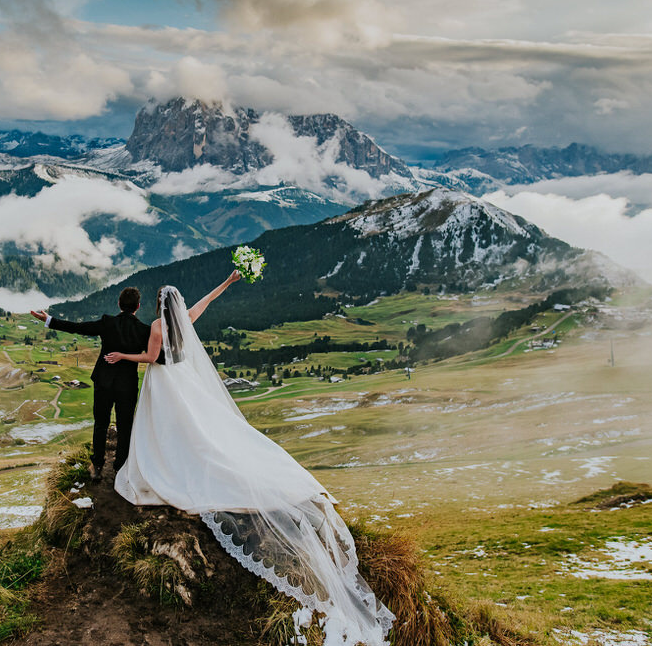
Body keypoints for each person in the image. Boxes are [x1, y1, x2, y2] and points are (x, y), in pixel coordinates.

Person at [105, 272, 394, 646]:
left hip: (164, 383)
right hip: (185, 383)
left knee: (165, 431)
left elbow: (151, 357)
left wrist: (121, 355)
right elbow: (204, 303)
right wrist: (228, 281)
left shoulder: (160, 325)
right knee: (199, 431)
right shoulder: (183, 321)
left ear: (159, 304)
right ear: (176, 303)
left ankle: (166, 464)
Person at [30, 287, 150, 482]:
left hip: (103, 381)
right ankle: (121, 467)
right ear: (138, 306)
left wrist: (49, 320)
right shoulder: (144, 330)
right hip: (127, 385)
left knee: (101, 424)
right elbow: (154, 355)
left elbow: (79, 328)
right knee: (125, 426)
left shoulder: (107, 323)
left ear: (119, 304)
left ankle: (97, 465)